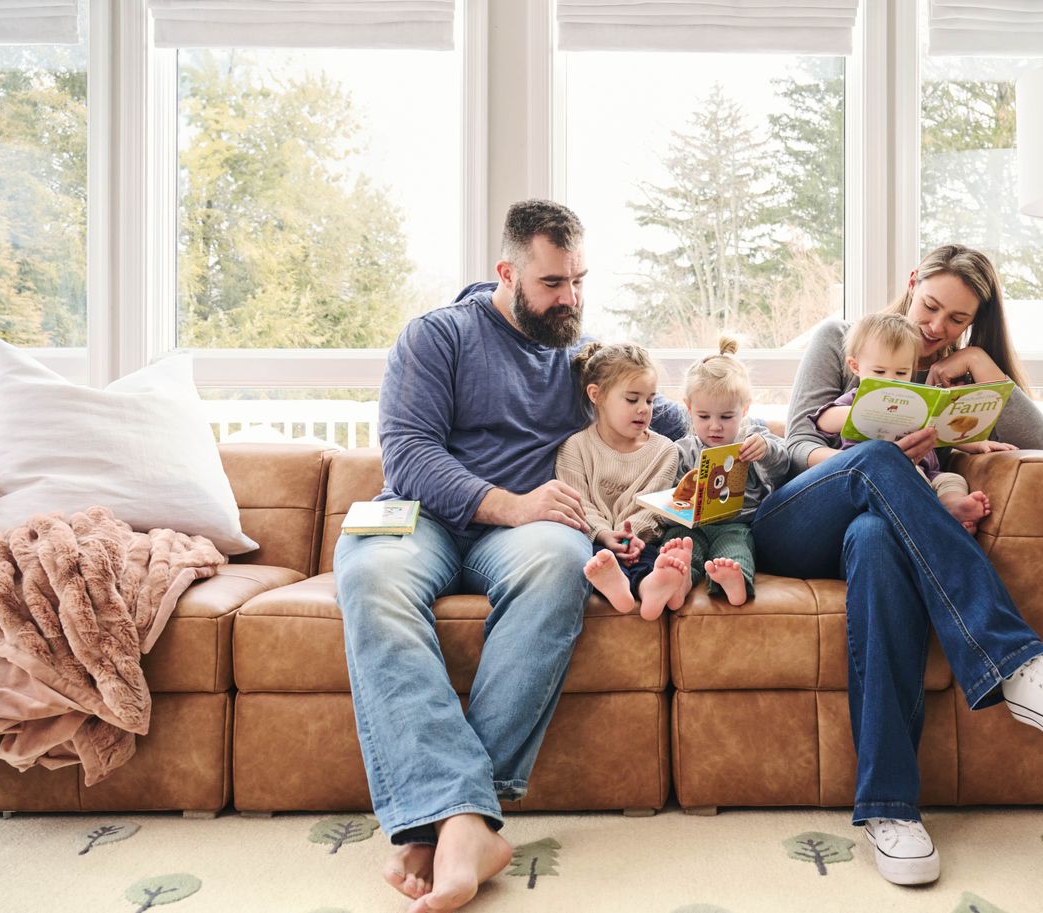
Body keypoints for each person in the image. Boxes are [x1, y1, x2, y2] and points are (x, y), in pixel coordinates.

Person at [332, 200, 683, 913]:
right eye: (554, 283)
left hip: (526, 534)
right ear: (507, 271)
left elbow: (663, 415)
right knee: (367, 574)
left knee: (562, 559)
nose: (572, 299)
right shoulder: (437, 336)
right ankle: (466, 817)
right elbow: (409, 453)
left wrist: (746, 434)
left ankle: (448, 822)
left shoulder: (584, 355)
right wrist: (512, 502)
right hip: (425, 514)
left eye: (580, 280)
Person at [752, 244, 1043, 887]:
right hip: (797, 520)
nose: (938, 326)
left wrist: (979, 363)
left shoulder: (954, 371)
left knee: (876, 540)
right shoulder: (843, 338)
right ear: (912, 284)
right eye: (931, 306)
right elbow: (796, 444)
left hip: (881, 532)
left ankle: (891, 811)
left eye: (958, 320)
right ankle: (1018, 662)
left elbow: (1037, 441)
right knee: (876, 464)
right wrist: (883, 456)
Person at [811, 311, 1014, 533]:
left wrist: (976, 444)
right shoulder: (858, 398)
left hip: (929, 473)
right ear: (856, 366)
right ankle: (935, 519)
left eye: (901, 372)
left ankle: (953, 506)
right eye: (879, 371)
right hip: (881, 477)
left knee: (952, 480)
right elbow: (823, 420)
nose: (891, 379)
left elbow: (940, 430)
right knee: (911, 475)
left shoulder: (916, 401)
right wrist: (863, 411)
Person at [554, 341, 692, 620]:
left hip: (641, 542)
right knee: (590, 560)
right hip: (594, 539)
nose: (644, 409)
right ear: (597, 395)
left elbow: (653, 508)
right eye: (632, 399)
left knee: (655, 557)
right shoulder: (575, 448)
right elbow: (577, 504)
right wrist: (605, 535)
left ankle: (650, 586)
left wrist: (632, 538)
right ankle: (615, 584)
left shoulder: (664, 450)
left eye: (650, 400)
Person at [659, 335, 791, 606]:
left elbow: (783, 467)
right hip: (691, 526)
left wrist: (765, 450)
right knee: (678, 545)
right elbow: (667, 497)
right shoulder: (682, 450)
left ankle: (735, 578)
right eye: (704, 417)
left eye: (726, 417)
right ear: (689, 409)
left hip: (736, 524)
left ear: (744, 409)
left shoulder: (752, 438)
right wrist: (678, 502)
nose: (715, 426)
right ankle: (679, 580)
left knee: (736, 550)